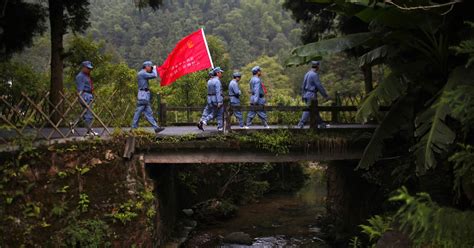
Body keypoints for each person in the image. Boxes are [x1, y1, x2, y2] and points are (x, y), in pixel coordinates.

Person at [131, 61, 164, 134]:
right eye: (150, 67)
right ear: (146, 66)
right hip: (143, 95)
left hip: (144, 95)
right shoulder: (142, 73)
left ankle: (156, 128)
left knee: (149, 113)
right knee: (138, 112)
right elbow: (154, 75)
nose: (151, 68)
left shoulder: (142, 73)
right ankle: (133, 128)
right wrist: (155, 68)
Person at [297, 61, 331, 128]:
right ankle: (300, 124)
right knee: (308, 110)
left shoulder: (307, 74)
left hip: (306, 94)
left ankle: (322, 124)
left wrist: (303, 95)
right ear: (318, 66)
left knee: (315, 111)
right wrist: (325, 95)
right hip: (311, 95)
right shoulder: (314, 75)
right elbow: (319, 86)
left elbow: (303, 85)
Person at [197, 67, 225, 131]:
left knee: (208, 110)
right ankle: (218, 126)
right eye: (220, 72)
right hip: (216, 99)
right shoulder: (217, 81)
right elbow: (218, 92)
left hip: (210, 98)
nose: (221, 74)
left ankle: (202, 120)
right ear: (217, 73)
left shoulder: (209, 81)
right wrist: (219, 101)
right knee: (219, 113)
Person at [75, 61, 97, 136]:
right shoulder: (80, 76)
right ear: (83, 67)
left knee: (86, 113)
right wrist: (81, 97)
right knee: (88, 114)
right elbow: (80, 89)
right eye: (87, 68)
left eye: (89, 68)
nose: (89, 70)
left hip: (89, 94)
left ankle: (75, 124)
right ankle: (89, 130)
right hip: (85, 95)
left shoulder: (87, 76)